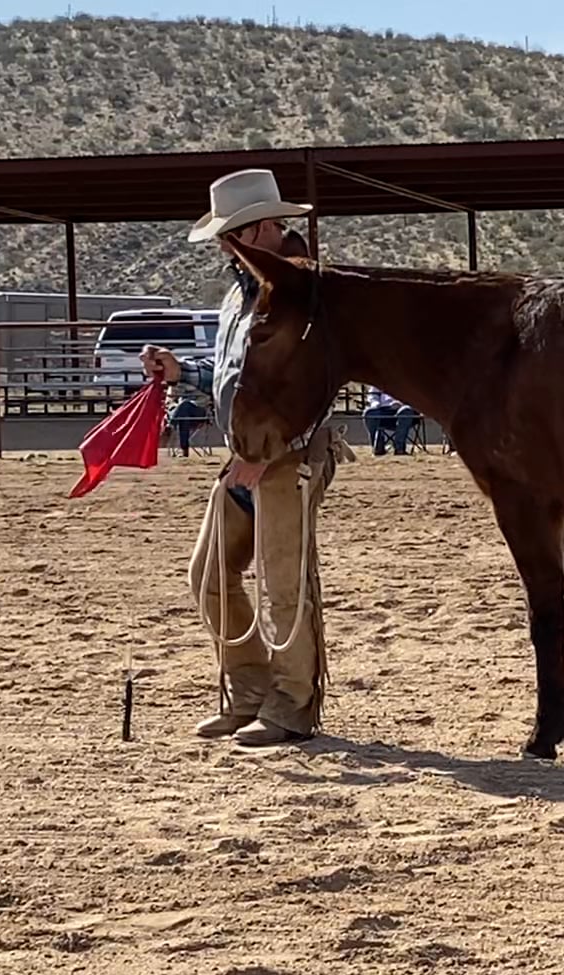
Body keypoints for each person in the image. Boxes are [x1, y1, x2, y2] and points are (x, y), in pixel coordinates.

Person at [141, 168, 353, 749]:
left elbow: (316, 386)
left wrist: (268, 451)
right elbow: (236, 376)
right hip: (245, 454)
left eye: (229, 233)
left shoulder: (302, 292)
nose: (221, 244)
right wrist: (183, 373)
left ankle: (291, 704)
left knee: (284, 583)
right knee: (209, 574)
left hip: (288, 455)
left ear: (260, 229)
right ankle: (250, 689)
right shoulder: (240, 293)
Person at [363, 385, 418, 456]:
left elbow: (415, 396)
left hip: (404, 409)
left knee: (406, 411)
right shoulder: (380, 381)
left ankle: (399, 448)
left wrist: (402, 403)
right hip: (383, 410)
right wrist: (376, 404)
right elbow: (373, 395)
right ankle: (378, 447)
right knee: (369, 413)